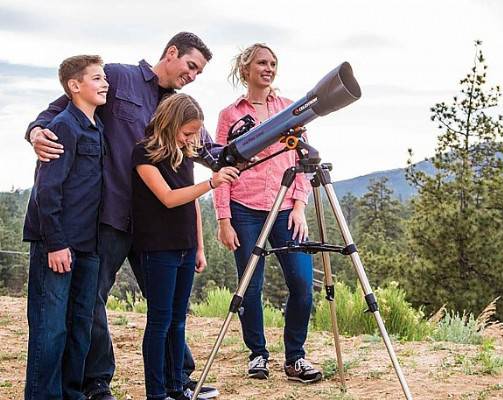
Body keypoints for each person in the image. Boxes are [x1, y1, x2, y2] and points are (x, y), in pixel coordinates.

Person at [25, 32, 220, 400]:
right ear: (171, 53)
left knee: (167, 304)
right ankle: (97, 381)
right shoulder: (118, 76)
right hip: (111, 215)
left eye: (198, 72)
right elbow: (60, 108)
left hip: (158, 225)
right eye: (191, 66)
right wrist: (35, 131)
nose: (192, 75)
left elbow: (207, 149)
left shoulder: (180, 108)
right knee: (92, 300)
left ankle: (177, 377)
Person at [213, 43, 322, 383]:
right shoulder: (229, 115)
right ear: (245, 69)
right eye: (262, 62)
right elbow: (221, 165)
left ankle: (295, 358)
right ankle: (258, 353)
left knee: (303, 284)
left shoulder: (290, 109)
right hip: (245, 211)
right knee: (250, 287)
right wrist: (224, 219)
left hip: (287, 209)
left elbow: (303, 161)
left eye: (273, 63)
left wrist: (300, 205)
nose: (268, 68)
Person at [132, 93, 239, 400]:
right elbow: (168, 198)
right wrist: (212, 183)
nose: (190, 139)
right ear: (170, 123)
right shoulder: (144, 154)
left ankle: (177, 388)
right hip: (158, 248)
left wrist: (200, 247)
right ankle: (156, 392)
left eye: (194, 134)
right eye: (187, 132)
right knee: (160, 321)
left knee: (179, 321)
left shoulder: (185, 155)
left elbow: (191, 205)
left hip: (185, 247)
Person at [22, 55, 108, 399]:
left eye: (105, 78)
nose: (106, 84)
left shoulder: (97, 126)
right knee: (50, 328)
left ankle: (72, 393)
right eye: (98, 78)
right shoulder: (62, 126)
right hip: (57, 246)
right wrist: (56, 243)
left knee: (79, 328)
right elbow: (47, 190)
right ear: (75, 86)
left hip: (88, 246)